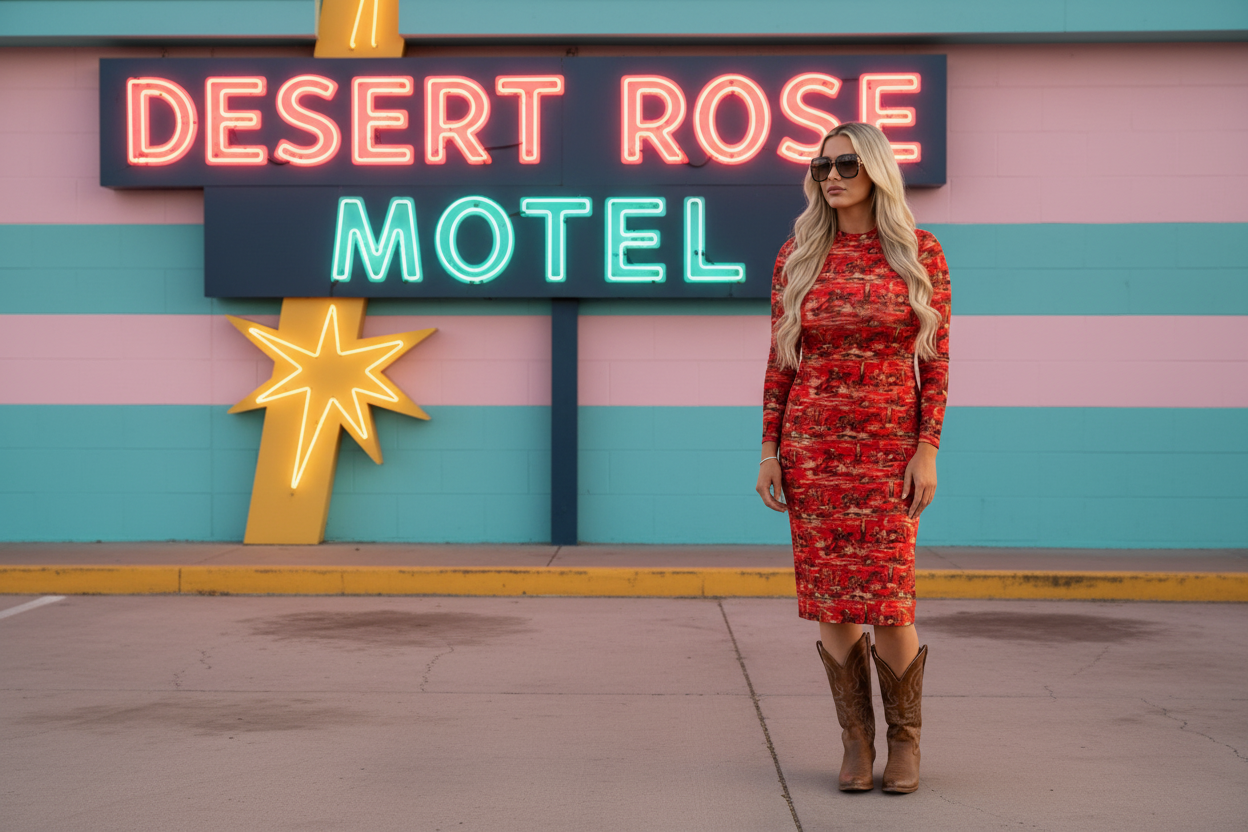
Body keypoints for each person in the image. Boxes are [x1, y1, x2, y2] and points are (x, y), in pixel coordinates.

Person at [754, 122, 950, 794]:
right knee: (834, 605)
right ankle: (856, 740)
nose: (830, 175)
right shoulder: (799, 255)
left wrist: (927, 449)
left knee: (891, 603)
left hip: (889, 450)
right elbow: (781, 363)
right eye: (821, 166)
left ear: (875, 170)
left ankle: (905, 741)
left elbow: (937, 363)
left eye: (845, 164)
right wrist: (769, 451)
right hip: (815, 450)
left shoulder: (920, 253)